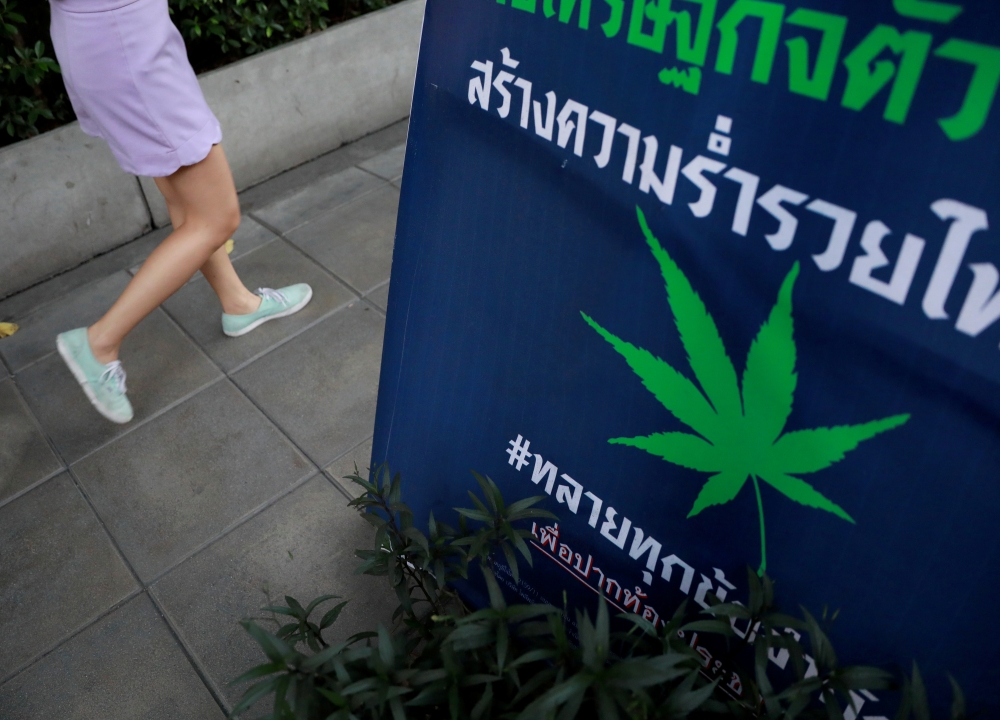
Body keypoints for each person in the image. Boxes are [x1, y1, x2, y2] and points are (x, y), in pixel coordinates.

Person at [48, 0, 311, 424]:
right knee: (217, 217)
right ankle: (99, 342)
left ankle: (238, 303)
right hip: (126, 43)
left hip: (100, 36)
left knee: (184, 198)